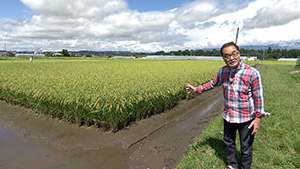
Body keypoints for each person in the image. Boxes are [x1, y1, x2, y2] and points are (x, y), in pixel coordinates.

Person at [186, 42, 270, 169]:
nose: (231, 58)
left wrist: (258, 118)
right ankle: (232, 165)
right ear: (223, 58)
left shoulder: (252, 73)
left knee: (246, 146)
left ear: (239, 54)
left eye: (234, 54)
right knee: (228, 143)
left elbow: (258, 97)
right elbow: (213, 84)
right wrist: (197, 89)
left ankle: (245, 167)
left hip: (246, 118)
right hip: (229, 116)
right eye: (227, 56)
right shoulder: (223, 71)